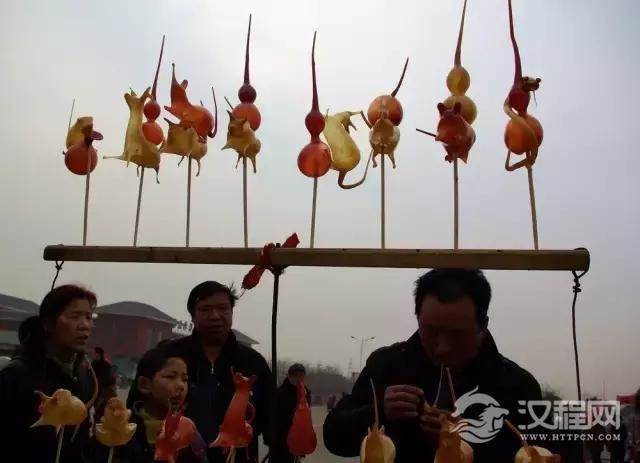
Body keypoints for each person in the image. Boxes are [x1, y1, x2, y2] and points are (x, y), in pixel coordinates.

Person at [323, 269, 543, 462]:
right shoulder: (387, 364)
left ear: (482, 326)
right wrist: (379, 412)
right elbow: (334, 438)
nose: (443, 347)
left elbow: (544, 452)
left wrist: (465, 440)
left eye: (457, 334)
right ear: (418, 318)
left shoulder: (515, 384)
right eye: (431, 331)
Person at [130, 281, 274, 463]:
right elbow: (135, 412)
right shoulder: (166, 356)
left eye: (223, 308)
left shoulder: (253, 362)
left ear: (231, 312)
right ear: (192, 315)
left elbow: (272, 421)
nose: (215, 316)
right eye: (205, 309)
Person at [0, 284, 99, 463]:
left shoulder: (87, 377)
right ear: (48, 323)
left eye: (88, 317)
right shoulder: (16, 376)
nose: (85, 325)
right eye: (75, 316)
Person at [86, 345, 207, 462]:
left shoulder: (189, 432)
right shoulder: (120, 428)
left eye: (184, 379)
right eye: (171, 377)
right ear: (144, 384)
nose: (181, 386)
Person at [272, 363, 312, 462]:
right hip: (282, 437)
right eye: (295, 375)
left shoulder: (306, 393)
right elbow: (275, 417)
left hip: (299, 435)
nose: (298, 378)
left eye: (301, 375)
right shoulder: (281, 393)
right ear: (289, 376)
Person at [91, 346, 117, 421]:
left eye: (95, 353)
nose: (93, 355)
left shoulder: (106, 365)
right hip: (95, 390)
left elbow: (109, 378)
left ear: (98, 354)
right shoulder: (93, 364)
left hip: (104, 391)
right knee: (96, 409)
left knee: (101, 410)